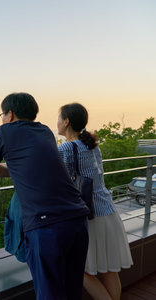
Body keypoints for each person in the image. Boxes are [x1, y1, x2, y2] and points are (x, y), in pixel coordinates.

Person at [0, 92, 90, 300]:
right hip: (77, 218)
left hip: (47, 225)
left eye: (2, 114)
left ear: (10, 114)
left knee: (49, 293)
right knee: (73, 290)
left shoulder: (5, 131)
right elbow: (31, 163)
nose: (2, 118)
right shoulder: (45, 131)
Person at [57, 103, 133, 300]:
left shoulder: (66, 147)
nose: (56, 122)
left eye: (59, 118)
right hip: (107, 211)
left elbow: (55, 177)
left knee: (80, 269)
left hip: (89, 217)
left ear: (66, 121)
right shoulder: (92, 145)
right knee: (108, 270)